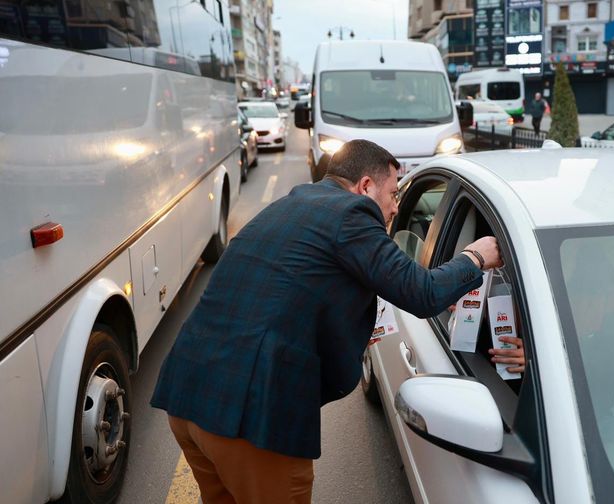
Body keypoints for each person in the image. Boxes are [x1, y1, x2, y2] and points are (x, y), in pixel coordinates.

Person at [150, 139, 503, 504]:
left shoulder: (294, 203)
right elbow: (422, 293)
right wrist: (474, 257)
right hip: (249, 420)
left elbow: (287, 294)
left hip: (188, 396)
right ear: (365, 187)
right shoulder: (353, 214)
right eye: (394, 194)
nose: (397, 207)